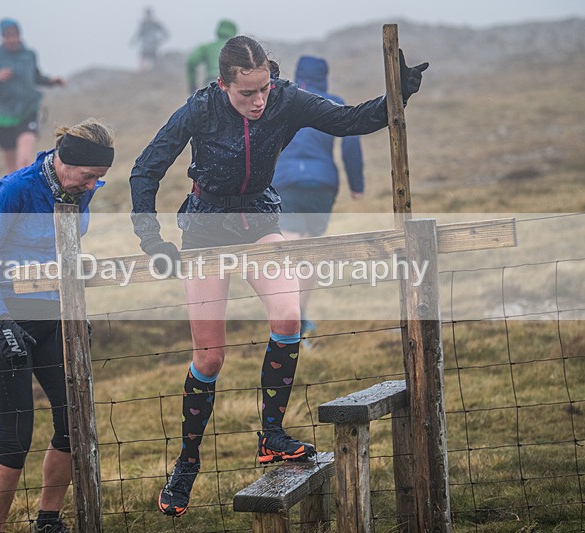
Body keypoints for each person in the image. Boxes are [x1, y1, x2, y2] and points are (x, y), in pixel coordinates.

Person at [129, 36, 427, 517]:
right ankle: (186, 466)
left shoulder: (286, 99)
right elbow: (145, 170)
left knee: (288, 318)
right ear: (224, 84)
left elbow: (350, 120)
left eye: (263, 88)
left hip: (260, 221)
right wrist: (153, 241)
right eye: (246, 93)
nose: (258, 101)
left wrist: (399, 94)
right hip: (205, 230)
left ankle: (271, 436)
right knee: (209, 357)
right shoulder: (200, 109)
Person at [0, 118, 115, 533]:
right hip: (8, 318)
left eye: (99, 179)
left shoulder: (81, 189)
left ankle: (48, 520)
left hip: (57, 318)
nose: (92, 187)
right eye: (88, 177)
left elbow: (65, 249)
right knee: (15, 439)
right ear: (65, 161)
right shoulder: (17, 188)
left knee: (74, 424)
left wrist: (75, 312)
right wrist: (0, 321)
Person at [272, 55, 366, 345]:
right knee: (309, 250)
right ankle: (299, 314)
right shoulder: (333, 101)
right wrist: (356, 184)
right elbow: (351, 139)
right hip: (321, 185)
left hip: (284, 181)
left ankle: (285, 319)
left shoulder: (283, 101)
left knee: (286, 246)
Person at [0, 18, 66, 174]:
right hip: (3, 116)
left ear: (20, 34)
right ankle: (15, 196)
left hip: (28, 111)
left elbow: (35, 77)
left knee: (24, 160)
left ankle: (28, 197)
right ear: (2, 36)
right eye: (8, 35)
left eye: (15, 34)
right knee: (11, 169)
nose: (12, 39)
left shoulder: (29, 55)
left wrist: (52, 81)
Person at [185, 19, 238, 94]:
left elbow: (192, 61)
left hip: (212, 83)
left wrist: (193, 84)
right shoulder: (239, 49)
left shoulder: (207, 47)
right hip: (233, 85)